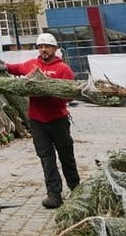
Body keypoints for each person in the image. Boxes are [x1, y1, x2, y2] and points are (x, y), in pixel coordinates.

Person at [6, 32, 79, 208]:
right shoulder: (32, 65)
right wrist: (2, 66)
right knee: (46, 158)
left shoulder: (63, 69)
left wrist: (51, 93)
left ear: (54, 48)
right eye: (40, 47)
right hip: (38, 121)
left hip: (58, 120)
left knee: (66, 156)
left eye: (47, 46)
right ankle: (54, 194)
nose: (43, 50)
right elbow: (15, 68)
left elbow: (70, 95)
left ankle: (76, 190)